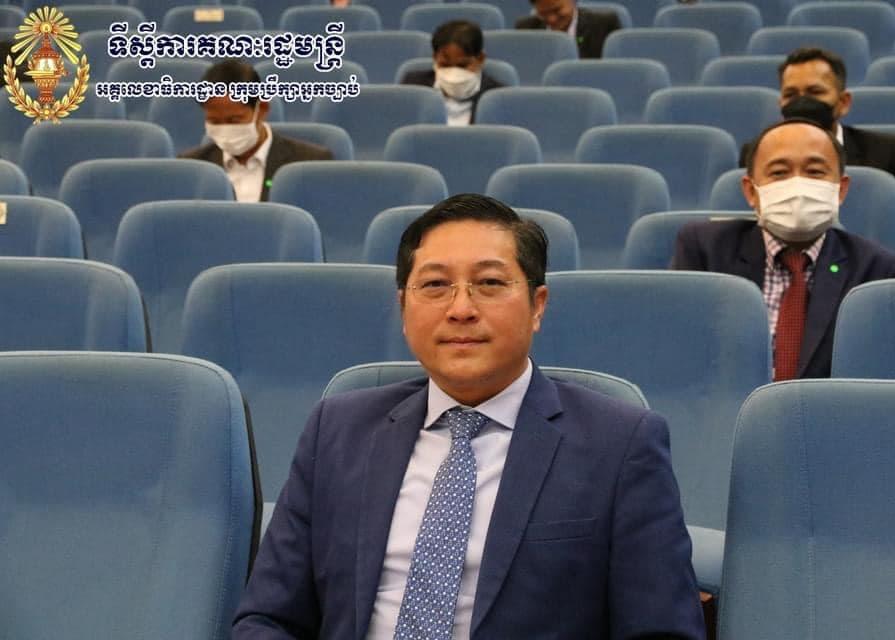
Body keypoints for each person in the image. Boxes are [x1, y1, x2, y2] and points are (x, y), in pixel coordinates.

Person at [234, 193, 705, 639]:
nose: (461, 309)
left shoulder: (620, 445)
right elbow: (268, 618)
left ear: (537, 305)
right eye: (435, 285)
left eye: (490, 284)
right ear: (403, 308)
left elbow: (662, 631)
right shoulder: (338, 430)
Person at [676, 119, 895, 380]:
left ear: (841, 189)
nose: (798, 187)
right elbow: (685, 354)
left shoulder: (875, 268)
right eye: (779, 173)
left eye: (814, 172)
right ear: (751, 191)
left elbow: (873, 373)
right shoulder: (706, 249)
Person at [739, 48, 895, 252]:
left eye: (815, 92)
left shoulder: (886, 151)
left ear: (843, 102)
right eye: (791, 94)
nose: (802, 102)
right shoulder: (757, 152)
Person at [179, 60, 332, 203]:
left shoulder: (310, 163)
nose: (225, 129)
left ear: (262, 109)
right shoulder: (191, 168)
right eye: (214, 121)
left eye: (234, 120)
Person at [400, 20, 503, 126]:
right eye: (445, 65)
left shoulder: (497, 97)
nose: (454, 74)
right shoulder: (413, 87)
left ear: (480, 59)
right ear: (435, 58)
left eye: (462, 66)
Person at [515, 0, 621, 58]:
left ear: (573, 1)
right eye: (543, 13)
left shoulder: (604, 25)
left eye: (557, 10)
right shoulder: (525, 29)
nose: (551, 19)